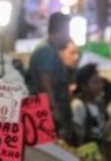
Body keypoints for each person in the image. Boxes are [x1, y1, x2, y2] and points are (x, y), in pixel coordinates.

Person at [27, 13, 76, 142]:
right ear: (62, 29)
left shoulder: (50, 50)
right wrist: (54, 111)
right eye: (68, 31)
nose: (69, 35)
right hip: (48, 114)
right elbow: (46, 84)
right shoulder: (46, 51)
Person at [70, 64, 107, 146]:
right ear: (84, 86)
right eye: (95, 82)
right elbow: (78, 133)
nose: (100, 86)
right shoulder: (79, 105)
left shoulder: (100, 104)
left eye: (100, 82)